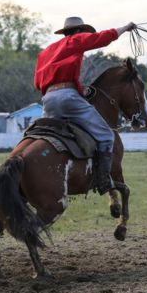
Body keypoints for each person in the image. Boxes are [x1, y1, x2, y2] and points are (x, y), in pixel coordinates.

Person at [34, 16, 136, 195]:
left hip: (48, 99)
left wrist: (77, 88)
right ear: (79, 31)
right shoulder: (76, 40)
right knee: (106, 135)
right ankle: (104, 180)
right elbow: (104, 38)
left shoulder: (46, 51)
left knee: (45, 135)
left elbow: (38, 82)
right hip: (67, 97)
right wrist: (125, 28)